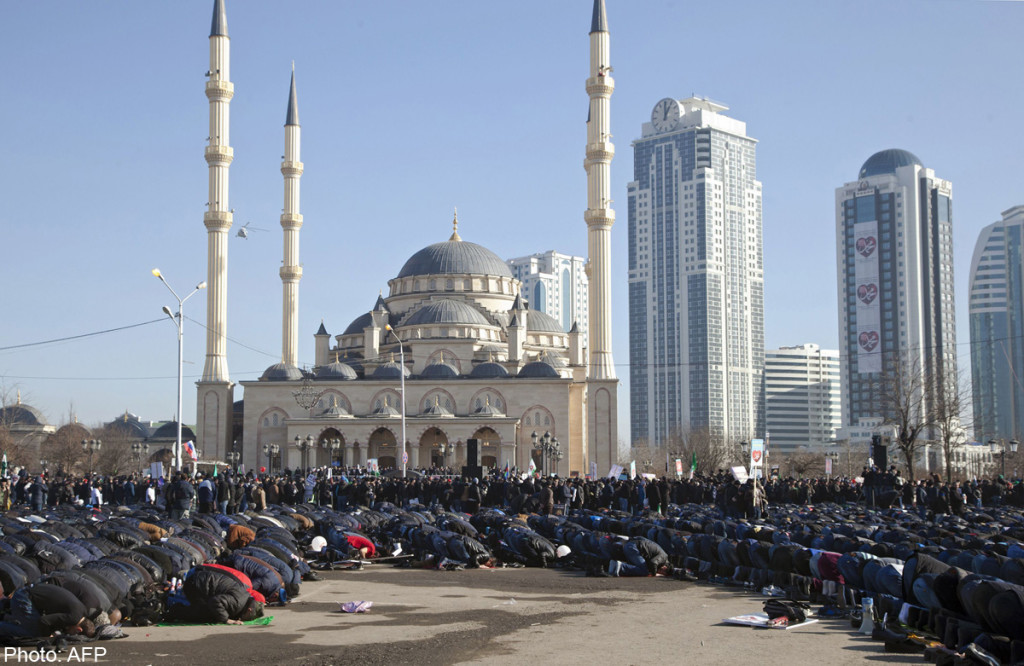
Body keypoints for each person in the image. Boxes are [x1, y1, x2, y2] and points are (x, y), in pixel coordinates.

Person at [0, 583, 95, 639]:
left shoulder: (83, 611)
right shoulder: (73, 618)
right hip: (24, 598)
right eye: (73, 634)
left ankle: (6, 619)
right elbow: (44, 620)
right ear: (79, 629)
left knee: (32, 625)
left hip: (28, 592)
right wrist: (47, 636)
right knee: (34, 634)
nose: (69, 634)